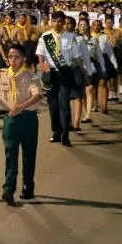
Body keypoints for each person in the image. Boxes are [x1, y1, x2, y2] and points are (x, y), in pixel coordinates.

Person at [0, 44, 43, 205]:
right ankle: (8, 189)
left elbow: (37, 95)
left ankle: (28, 187)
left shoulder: (31, 76)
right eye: (10, 57)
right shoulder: (2, 74)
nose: (12, 60)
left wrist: (20, 107)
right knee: (11, 154)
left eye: (16, 57)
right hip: (10, 120)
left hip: (28, 119)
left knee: (29, 155)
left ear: (24, 59)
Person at [36, 11, 78, 147]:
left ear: (64, 22)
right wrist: (43, 65)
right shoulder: (45, 36)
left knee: (64, 105)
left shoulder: (71, 37)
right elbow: (40, 54)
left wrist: (84, 71)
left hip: (65, 73)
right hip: (51, 73)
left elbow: (76, 56)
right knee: (53, 106)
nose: (57, 24)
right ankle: (56, 132)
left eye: (60, 21)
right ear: (51, 22)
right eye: (55, 21)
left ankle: (66, 134)